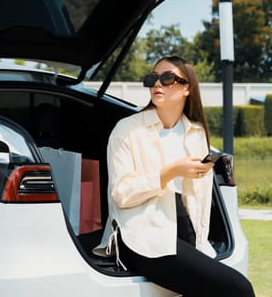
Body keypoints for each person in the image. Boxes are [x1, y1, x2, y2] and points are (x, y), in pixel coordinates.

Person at [93, 56, 255, 297]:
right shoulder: (127, 130)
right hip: (141, 233)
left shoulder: (196, 132)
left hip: (186, 230)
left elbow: (198, 199)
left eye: (167, 78)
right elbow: (120, 194)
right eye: (152, 78)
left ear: (187, 87)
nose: (157, 84)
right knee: (239, 289)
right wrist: (171, 171)